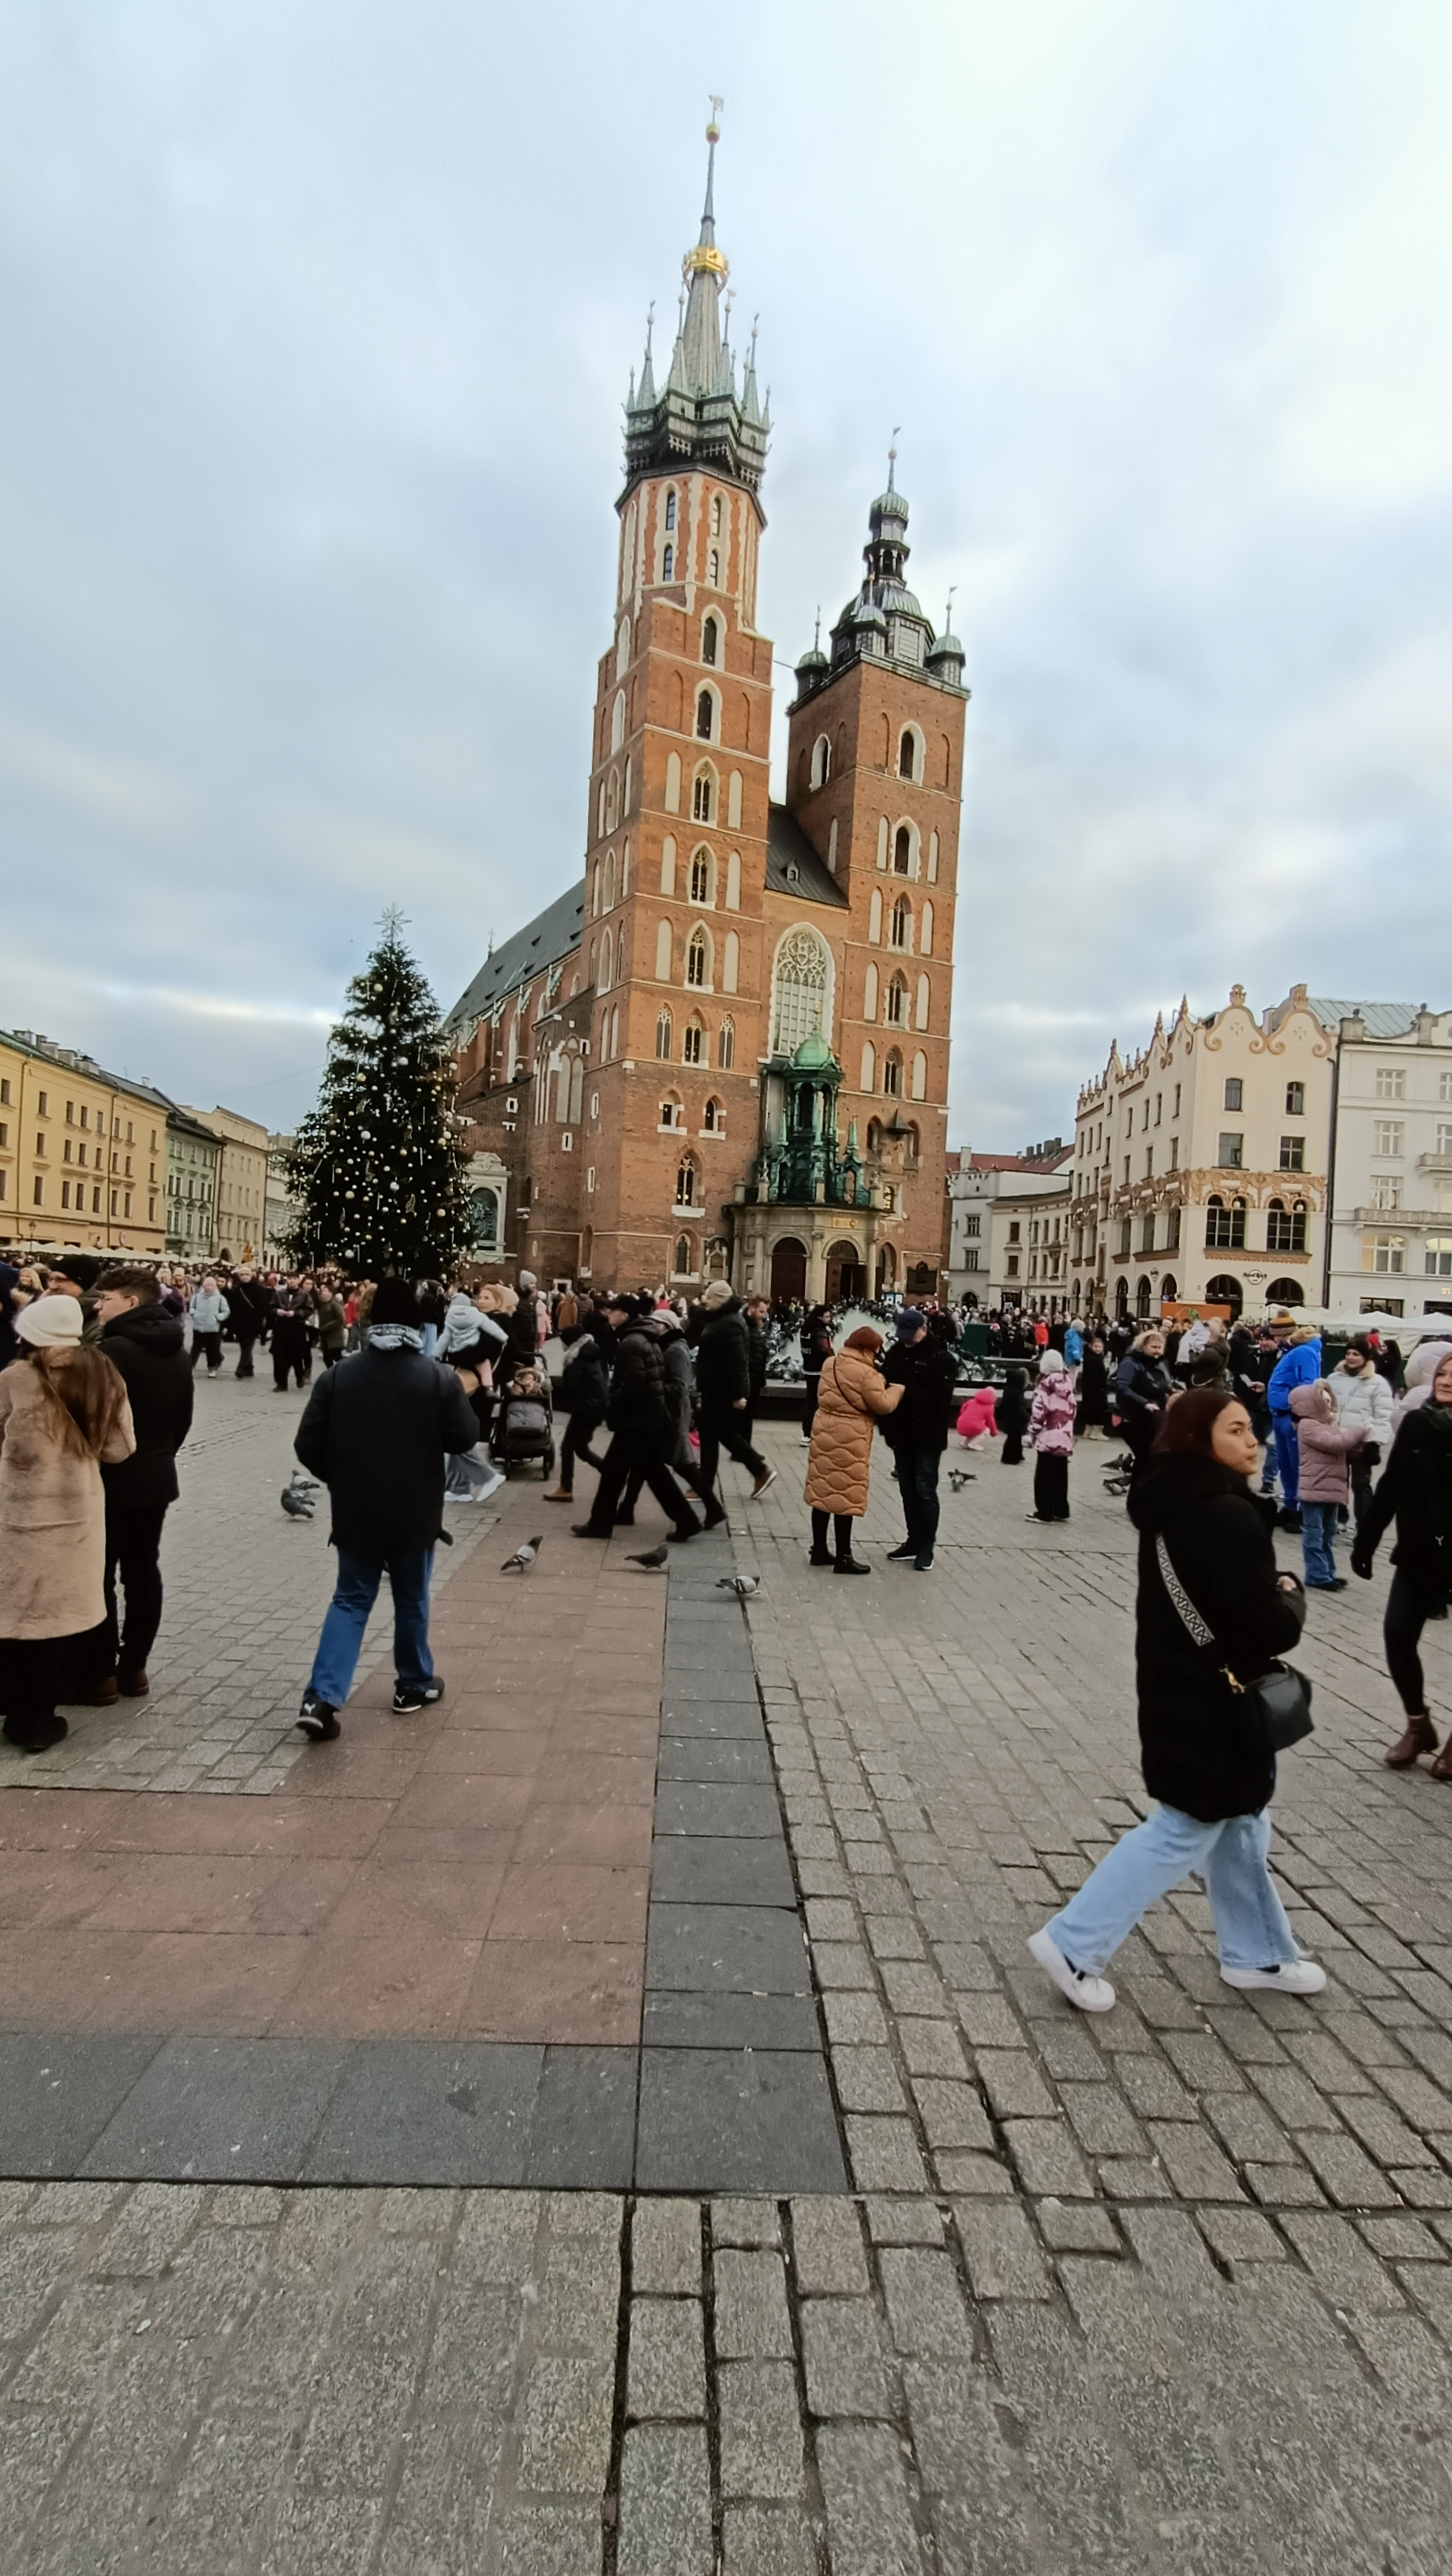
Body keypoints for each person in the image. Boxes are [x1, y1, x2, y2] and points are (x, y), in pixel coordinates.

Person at [1027, 1387, 1323, 2012]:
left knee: (1239, 1822)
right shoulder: (1226, 1514)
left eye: (1252, 1429)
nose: (1253, 1441)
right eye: (1237, 1430)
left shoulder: (1172, 1500)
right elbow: (1269, 1627)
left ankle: (1258, 1954)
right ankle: (1074, 1944)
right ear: (1200, 1440)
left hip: (1179, 1685)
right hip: (1215, 1702)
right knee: (1183, 1827)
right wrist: (1292, 1594)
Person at [292, 1276, 480, 1741]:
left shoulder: (340, 1375)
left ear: (373, 1321)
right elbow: (464, 1438)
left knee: (351, 1599)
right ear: (416, 1324)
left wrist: (340, 1476)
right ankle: (412, 1684)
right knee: (412, 1596)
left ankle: (322, 1697)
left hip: (356, 1510)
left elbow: (307, 1442)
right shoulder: (436, 1376)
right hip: (414, 1511)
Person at [0, 1296, 135, 1751]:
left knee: (20, 1619)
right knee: (58, 1619)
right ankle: (42, 1715)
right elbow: (120, 1448)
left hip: (18, 1519)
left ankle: (24, 1718)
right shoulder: (102, 1372)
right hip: (79, 1518)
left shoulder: (16, 1378)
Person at [89, 1266, 195, 1701]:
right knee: (142, 1571)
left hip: (110, 1478)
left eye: (106, 1297)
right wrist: (160, 1455)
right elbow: (182, 1420)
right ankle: (134, 1668)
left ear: (131, 1303)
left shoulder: (111, 1351)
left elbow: (93, 1420)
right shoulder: (176, 1349)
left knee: (99, 1576)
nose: (98, 1305)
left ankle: (101, 1673)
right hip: (155, 1476)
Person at [1352, 1346, 1452, 1777]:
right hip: (1419, 1550)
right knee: (1397, 1633)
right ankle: (1417, 1724)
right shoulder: (1416, 1422)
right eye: (1444, 1373)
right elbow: (1391, 1484)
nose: (1446, 1380)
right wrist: (1365, 1542)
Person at [573, 1296, 702, 1544]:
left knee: (647, 1473)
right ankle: (601, 1523)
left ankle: (687, 1521)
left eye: (612, 1310)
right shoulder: (643, 1338)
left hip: (636, 1419)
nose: (608, 1315)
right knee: (620, 1471)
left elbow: (634, 1384)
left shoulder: (631, 1342)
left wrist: (611, 1402)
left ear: (624, 1315)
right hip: (643, 1417)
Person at [803, 1324, 903, 1574]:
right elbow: (882, 1405)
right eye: (877, 1350)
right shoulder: (868, 1374)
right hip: (851, 1434)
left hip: (824, 1428)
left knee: (823, 1489)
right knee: (844, 1494)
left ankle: (819, 1549)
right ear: (867, 1349)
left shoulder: (831, 1363)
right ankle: (844, 1557)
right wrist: (897, 1389)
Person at [881, 1307, 958, 1571]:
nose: (905, 1339)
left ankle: (927, 1546)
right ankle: (913, 1540)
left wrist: (905, 1391)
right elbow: (883, 1386)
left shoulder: (941, 1357)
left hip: (928, 1435)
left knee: (925, 1488)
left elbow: (942, 1397)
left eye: (910, 1334)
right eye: (901, 1334)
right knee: (907, 1489)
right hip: (901, 1434)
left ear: (923, 1329)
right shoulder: (895, 1353)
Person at [694, 1281, 777, 1503]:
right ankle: (759, 1470)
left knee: (713, 1434)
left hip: (720, 1387)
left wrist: (741, 1393)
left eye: (709, 1299)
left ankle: (707, 1485)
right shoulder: (724, 1319)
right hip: (717, 1386)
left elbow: (739, 1361)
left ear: (719, 1300)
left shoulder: (729, 1323)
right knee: (722, 1433)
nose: (705, 1302)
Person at [1288, 1382, 1362, 1592]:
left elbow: (1341, 1446)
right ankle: (1316, 1575)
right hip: (1315, 1486)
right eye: (1324, 1401)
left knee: (1328, 1533)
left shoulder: (1329, 1424)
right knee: (1314, 1533)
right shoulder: (1308, 1425)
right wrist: (1358, 1431)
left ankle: (1327, 1571)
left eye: (1330, 1401)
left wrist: (1357, 1445)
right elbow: (1334, 1444)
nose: (1328, 1405)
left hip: (1331, 1487)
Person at [1327, 1339, 1392, 1526]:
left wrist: (1376, 1442)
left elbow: (1384, 1414)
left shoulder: (1377, 1383)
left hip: (1362, 1443)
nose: (1350, 1357)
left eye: (1356, 1354)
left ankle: (1365, 1526)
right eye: (1348, 1353)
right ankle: (1338, 1519)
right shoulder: (1333, 1379)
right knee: (1337, 1482)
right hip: (1337, 1439)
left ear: (1366, 1357)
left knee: (1361, 1484)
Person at [1266, 1323, 1323, 1531]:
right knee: (1286, 1464)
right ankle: (1291, 1504)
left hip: (1291, 1416)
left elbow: (1306, 1385)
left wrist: (1299, 1414)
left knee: (1296, 1464)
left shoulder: (1304, 1352)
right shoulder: (1295, 1352)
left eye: (1278, 1336)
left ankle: (1300, 1510)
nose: (1276, 1340)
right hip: (1281, 1413)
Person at [547, 1320, 611, 1504]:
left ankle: (566, 1489)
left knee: (568, 1448)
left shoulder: (577, 1358)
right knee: (579, 1449)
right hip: (593, 1407)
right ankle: (607, 1473)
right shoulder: (589, 1351)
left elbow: (571, 1386)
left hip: (586, 1409)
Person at [1114, 1327, 1173, 1489]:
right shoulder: (1131, 1362)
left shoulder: (1159, 1365)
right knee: (1145, 1456)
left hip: (1152, 1417)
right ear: (1143, 1346)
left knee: (1147, 1458)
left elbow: (1165, 1386)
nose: (1157, 1351)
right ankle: (1138, 1497)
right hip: (1131, 1417)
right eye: (1153, 1347)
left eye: (1160, 1348)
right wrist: (1144, 1403)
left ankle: (1140, 1496)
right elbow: (1123, 1388)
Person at [1027, 1348, 1076, 1522]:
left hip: (1048, 1434)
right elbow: (1073, 1409)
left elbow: (1039, 1412)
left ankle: (1045, 1512)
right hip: (1064, 1434)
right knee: (1060, 1473)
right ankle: (1061, 1509)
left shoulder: (1045, 1385)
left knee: (1044, 1475)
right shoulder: (1067, 1383)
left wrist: (1032, 1430)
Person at [270, 1275, 312, 1391]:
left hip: (297, 1328)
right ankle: (281, 1383)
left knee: (297, 1356)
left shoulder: (304, 1295)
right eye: (290, 1278)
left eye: (294, 1278)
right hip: (281, 1328)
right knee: (279, 1356)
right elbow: (271, 1307)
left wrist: (296, 1313)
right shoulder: (279, 1294)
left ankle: (300, 1376)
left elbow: (309, 1310)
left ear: (298, 1280)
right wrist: (277, 1311)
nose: (292, 1281)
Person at [226, 1266, 268, 1378]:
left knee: (247, 1346)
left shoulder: (258, 1289)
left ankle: (241, 1367)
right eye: (242, 1275)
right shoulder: (236, 1290)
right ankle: (249, 1368)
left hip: (253, 1323)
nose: (244, 1277)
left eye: (247, 1275)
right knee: (244, 1346)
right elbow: (232, 1307)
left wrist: (259, 1320)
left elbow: (263, 1307)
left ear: (251, 1276)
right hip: (240, 1323)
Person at [800, 1305, 833, 1441]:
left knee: (810, 1401)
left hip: (808, 1369)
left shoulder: (805, 1328)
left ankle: (806, 1433)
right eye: (827, 1316)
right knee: (820, 1403)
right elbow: (824, 1349)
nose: (829, 1319)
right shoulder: (820, 1331)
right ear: (820, 1317)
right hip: (820, 1370)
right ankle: (815, 1432)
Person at [743, 1295, 771, 1447]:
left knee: (747, 1416)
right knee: (743, 1416)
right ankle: (743, 1449)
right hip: (747, 1379)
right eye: (761, 1312)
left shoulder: (754, 1327)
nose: (764, 1316)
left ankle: (744, 1447)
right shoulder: (743, 1327)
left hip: (754, 1379)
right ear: (751, 1309)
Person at [188, 1273, 230, 1376]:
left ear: (215, 1286)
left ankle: (212, 1368)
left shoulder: (220, 1298)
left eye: (211, 1285)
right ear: (204, 1286)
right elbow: (192, 1307)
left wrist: (217, 1317)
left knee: (211, 1350)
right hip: (198, 1327)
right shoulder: (197, 1297)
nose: (209, 1287)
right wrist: (194, 1314)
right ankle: (190, 1367)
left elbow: (226, 1311)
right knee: (195, 1349)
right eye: (207, 1285)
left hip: (213, 1328)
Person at [1079, 1335, 1110, 1439]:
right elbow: (1098, 1375)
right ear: (1091, 1346)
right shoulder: (1096, 1359)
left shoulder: (1088, 1358)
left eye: (1099, 1347)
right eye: (1096, 1347)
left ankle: (1088, 1431)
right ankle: (1096, 1432)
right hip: (1097, 1390)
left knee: (1090, 1410)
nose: (1098, 1349)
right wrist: (1103, 1383)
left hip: (1088, 1389)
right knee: (1099, 1410)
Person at [997, 1366, 1029, 1466]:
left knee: (1012, 1439)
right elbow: (1020, 1409)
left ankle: (1016, 1455)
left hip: (1008, 1420)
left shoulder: (1007, 1391)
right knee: (1014, 1440)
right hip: (1016, 1421)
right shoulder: (1018, 1394)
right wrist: (1028, 1418)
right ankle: (1011, 1458)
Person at [314, 1282, 348, 1369]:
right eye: (322, 1291)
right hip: (326, 1337)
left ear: (331, 1293)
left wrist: (326, 1327)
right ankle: (333, 1374)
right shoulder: (323, 1304)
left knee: (336, 1356)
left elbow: (340, 1319)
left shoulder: (335, 1304)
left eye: (325, 1291)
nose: (323, 1292)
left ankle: (347, 1370)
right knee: (327, 1358)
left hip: (334, 1337)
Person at [956, 1384, 997, 1451]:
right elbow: (990, 1422)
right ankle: (973, 1444)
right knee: (985, 1429)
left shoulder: (971, 1401)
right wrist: (994, 1432)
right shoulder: (988, 1408)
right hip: (973, 1427)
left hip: (960, 1425)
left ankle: (965, 1442)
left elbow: (962, 1410)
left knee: (974, 1426)